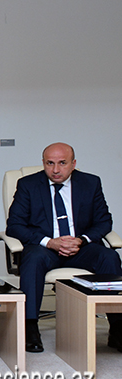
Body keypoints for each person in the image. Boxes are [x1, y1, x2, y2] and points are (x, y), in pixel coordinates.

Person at [6, 142, 122, 353]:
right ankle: (30, 327)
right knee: (32, 259)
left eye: (62, 163)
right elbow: (14, 225)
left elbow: (104, 221)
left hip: (81, 247)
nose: (56, 169)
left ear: (73, 163)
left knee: (109, 257)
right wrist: (49, 242)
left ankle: (118, 328)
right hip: (45, 248)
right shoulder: (28, 185)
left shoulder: (90, 183)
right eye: (50, 163)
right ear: (43, 163)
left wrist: (81, 240)